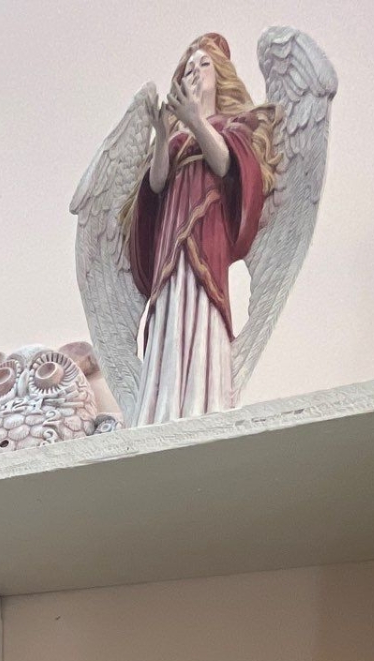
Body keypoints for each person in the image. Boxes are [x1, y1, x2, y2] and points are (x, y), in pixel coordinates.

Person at [124, 34, 281, 421]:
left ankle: (201, 399)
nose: (195, 72)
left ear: (220, 75)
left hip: (207, 229)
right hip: (171, 230)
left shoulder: (233, 125)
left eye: (204, 65)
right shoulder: (177, 137)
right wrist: (163, 133)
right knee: (170, 302)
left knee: (200, 298)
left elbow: (226, 164)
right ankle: (161, 405)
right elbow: (156, 184)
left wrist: (195, 119)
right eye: (188, 68)